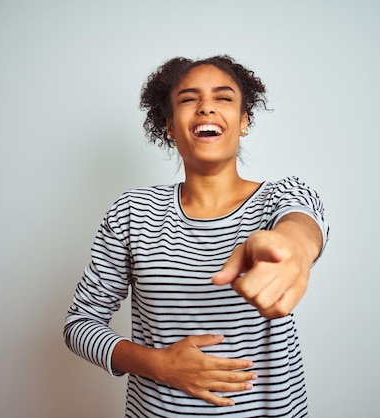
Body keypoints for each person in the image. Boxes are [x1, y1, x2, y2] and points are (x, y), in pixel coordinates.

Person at [64, 55, 329, 417]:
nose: (206, 107)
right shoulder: (132, 213)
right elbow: (80, 324)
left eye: (223, 98)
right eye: (189, 99)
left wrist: (295, 247)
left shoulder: (279, 198)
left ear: (244, 121)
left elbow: (302, 223)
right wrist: (158, 365)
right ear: (170, 126)